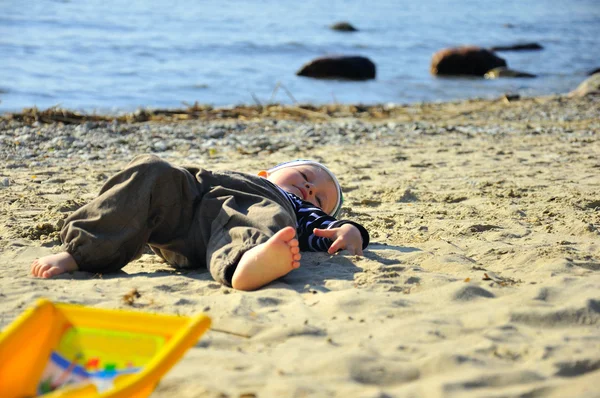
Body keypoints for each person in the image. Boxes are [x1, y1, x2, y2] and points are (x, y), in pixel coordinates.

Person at [30, 155, 369, 290]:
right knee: (153, 171)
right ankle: (81, 252)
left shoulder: (290, 202)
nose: (310, 189)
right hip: (190, 202)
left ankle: (248, 262)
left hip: (233, 224)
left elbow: (325, 231)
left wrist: (349, 230)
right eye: (308, 175)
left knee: (267, 221)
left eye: (320, 198)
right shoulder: (247, 176)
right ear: (269, 172)